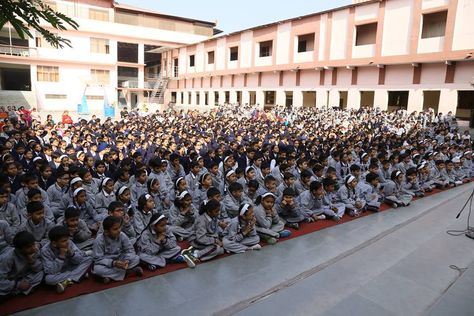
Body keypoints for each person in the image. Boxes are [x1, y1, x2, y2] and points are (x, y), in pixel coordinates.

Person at [40, 226, 93, 293]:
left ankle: (67, 281)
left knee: (89, 259)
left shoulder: (69, 242)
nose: (67, 242)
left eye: (67, 239)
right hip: (59, 273)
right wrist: (61, 256)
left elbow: (79, 260)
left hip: (71, 267)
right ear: (54, 243)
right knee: (48, 279)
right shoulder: (45, 251)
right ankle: (79, 274)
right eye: (64, 241)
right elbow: (51, 271)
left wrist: (71, 253)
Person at [92, 216, 143, 284]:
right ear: (107, 232)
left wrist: (126, 261)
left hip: (121, 259)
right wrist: (113, 263)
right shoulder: (99, 240)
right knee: (97, 269)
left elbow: (130, 250)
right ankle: (128, 272)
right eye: (115, 229)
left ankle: (109, 277)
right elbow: (98, 259)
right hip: (108, 263)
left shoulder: (122, 235)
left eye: (119, 227)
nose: (119, 230)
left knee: (136, 258)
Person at [0, 231, 44, 296]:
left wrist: (31, 261)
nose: (33, 248)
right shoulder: (8, 258)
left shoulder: (34, 250)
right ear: (19, 249)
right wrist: (17, 284)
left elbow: (38, 269)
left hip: (23, 276)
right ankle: (18, 291)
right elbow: (1, 279)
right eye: (28, 247)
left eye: (33, 244)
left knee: (41, 273)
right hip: (10, 280)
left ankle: (17, 291)